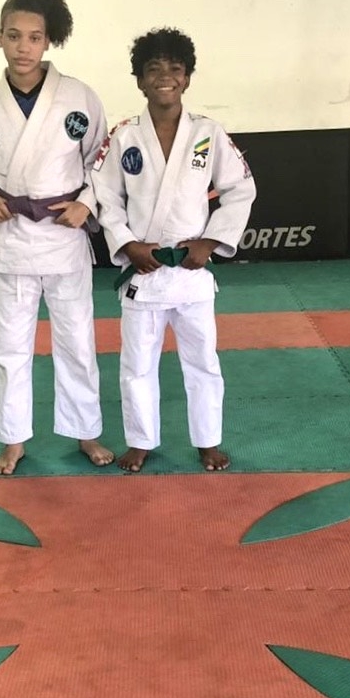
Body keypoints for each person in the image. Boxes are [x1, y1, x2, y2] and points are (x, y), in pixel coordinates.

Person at [0, 0, 114, 475]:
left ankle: (86, 432)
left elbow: (103, 164)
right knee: (9, 348)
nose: (23, 47)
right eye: (13, 36)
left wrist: (86, 204)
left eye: (34, 37)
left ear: (49, 41)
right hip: (11, 239)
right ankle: (13, 440)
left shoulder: (79, 97)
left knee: (76, 342)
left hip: (64, 237)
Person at [92, 27, 257, 473]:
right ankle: (141, 440)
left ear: (187, 78)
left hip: (190, 271)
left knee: (203, 362)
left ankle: (207, 441)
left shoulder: (208, 133)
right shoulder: (124, 136)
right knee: (137, 365)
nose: (165, 77)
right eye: (154, 69)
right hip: (144, 272)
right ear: (139, 80)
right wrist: (127, 243)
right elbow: (106, 197)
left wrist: (210, 241)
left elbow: (240, 189)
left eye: (175, 68)